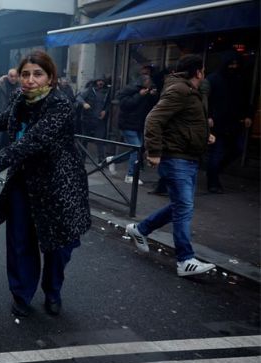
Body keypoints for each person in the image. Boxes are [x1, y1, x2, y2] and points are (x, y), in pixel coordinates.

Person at [0, 51, 91, 317]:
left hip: (59, 184)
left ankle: (52, 289)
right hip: (23, 181)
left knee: (58, 246)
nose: (30, 80)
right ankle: (21, 293)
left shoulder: (59, 104)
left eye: (37, 74)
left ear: (50, 77)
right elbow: (1, 121)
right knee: (20, 240)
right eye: (25, 74)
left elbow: (35, 140)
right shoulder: (19, 99)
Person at [125, 54, 217, 277]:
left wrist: (205, 135)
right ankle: (185, 260)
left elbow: (183, 122)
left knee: (180, 205)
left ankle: (141, 229)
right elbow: (154, 119)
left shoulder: (190, 91)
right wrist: (154, 152)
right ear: (198, 72)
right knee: (184, 207)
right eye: (203, 70)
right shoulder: (181, 90)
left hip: (188, 156)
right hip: (176, 158)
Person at [206, 51, 253, 194]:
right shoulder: (213, 79)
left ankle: (214, 171)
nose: (234, 66)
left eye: (236, 64)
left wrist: (248, 115)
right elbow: (205, 99)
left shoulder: (240, 79)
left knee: (237, 149)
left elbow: (246, 99)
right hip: (218, 122)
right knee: (217, 152)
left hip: (234, 122)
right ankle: (213, 181)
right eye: (231, 64)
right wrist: (208, 116)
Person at [108, 75, 158, 184]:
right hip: (127, 124)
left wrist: (152, 96)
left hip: (139, 124)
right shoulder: (130, 90)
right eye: (149, 81)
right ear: (143, 82)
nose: (150, 84)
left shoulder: (147, 91)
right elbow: (126, 104)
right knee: (136, 149)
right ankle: (130, 175)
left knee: (138, 150)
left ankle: (112, 160)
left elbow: (152, 106)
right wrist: (139, 95)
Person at [77, 77, 110, 162]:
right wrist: (84, 103)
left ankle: (101, 160)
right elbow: (78, 98)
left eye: (102, 81)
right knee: (84, 139)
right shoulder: (89, 90)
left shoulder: (107, 92)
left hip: (99, 119)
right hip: (87, 118)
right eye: (99, 81)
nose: (100, 83)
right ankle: (82, 158)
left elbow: (108, 103)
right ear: (96, 82)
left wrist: (105, 111)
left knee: (100, 140)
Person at [0, 68, 19, 150]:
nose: (13, 78)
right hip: (2, 115)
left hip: (16, 116)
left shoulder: (21, 86)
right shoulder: (0, 86)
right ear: (7, 76)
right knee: (1, 140)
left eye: (15, 76)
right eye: (11, 76)